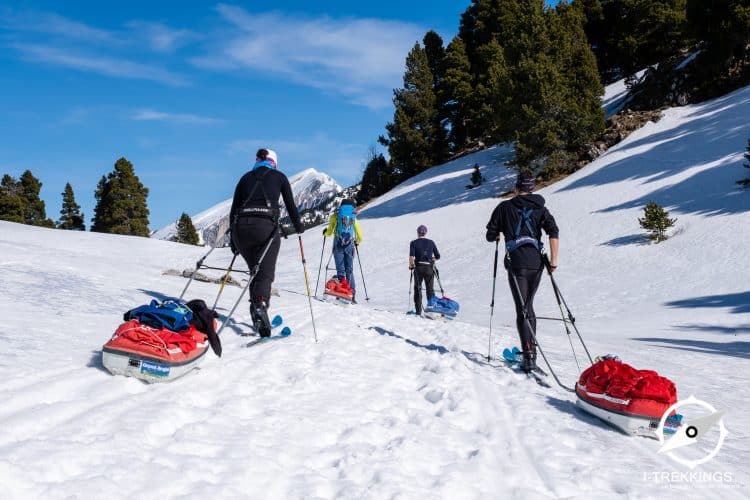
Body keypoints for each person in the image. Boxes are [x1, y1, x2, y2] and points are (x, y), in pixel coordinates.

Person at [485, 173, 559, 373]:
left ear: (517, 188)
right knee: (529, 306)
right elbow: (554, 231)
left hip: (516, 263)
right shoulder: (541, 208)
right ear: (532, 188)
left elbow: (490, 236)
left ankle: (528, 356)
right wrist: (554, 261)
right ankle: (530, 353)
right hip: (537, 262)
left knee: (522, 309)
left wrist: (499, 232)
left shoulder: (504, 207)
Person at [229, 148, 303, 337]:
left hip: (240, 230)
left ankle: (256, 309)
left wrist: (233, 241)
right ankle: (260, 306)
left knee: (255, 269)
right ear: (274, 162)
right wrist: (299, 227)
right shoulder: (279, 177)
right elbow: (291, 206)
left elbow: (233, 209)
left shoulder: (245, 178)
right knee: (265, 273)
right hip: (265, 229)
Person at [323, 199, 363, 302]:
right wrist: (357, 242)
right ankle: (352, 295)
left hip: (338, 245)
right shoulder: (353, 217)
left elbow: (329, 232)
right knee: (349, 270)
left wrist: (325, 233)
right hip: (349, 246)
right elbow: (360, 236)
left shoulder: (336, 216)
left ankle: (341, 295)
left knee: (341, 271)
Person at [409, 225, 440, 315]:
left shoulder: (413, 243)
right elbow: (438, 256)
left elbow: (411, 256)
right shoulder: (431, 242)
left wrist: (411, 266)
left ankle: (418, 311)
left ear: (418, 232)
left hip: (418, 268)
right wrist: (432, 259)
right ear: (425, 233)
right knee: (430, 290)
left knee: (418, 289)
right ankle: (432, 311)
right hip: (429, 268)